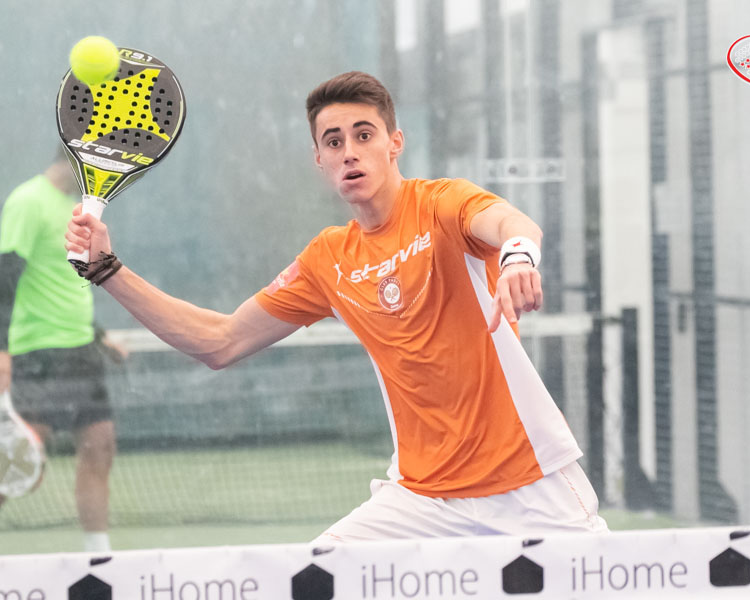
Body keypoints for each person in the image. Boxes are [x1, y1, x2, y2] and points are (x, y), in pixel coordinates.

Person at [65, 71, 607, 541]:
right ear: (320, 159)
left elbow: (511, 222)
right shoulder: (329, 258)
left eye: (364, 135)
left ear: (394, 143)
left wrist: (517, 257)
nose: (349, 151)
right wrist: (107, 270)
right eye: (333, 141)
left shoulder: (443, 204)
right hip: (422, 501)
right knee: (314, 579)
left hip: (531, 489)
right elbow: (220, 341)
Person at [0, 152, 124, 552]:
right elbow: (5, 278)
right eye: (94, 172)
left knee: (100, 445)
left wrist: (98, 336)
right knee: (17, 465)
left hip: (81, 351)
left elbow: (63, 283)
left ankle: (98, 559)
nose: (99, 182)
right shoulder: (27, 201)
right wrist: (1, 350)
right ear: (73, 160)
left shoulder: (76, 211)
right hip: (38, 353)